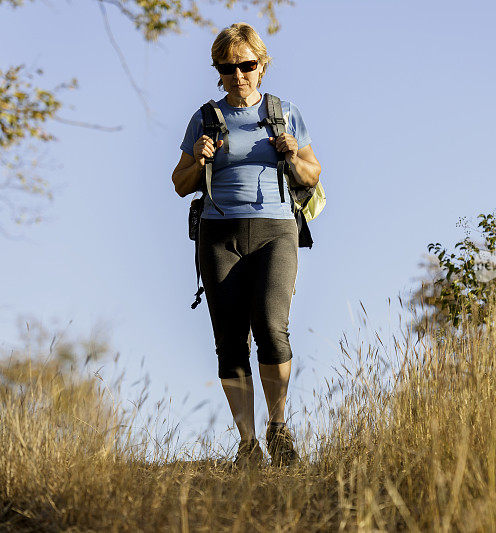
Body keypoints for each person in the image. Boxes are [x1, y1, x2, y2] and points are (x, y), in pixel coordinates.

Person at [171, 22, 321, 468]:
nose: (238, 75)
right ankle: (248, 443)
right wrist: (199, 158)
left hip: (276, 230)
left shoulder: (285, 112)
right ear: (217, 70)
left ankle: (278, 428)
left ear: (262, 65)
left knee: (273, 328)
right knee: (230, 341)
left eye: (246, 66)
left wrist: (293, 155)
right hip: (219, 234)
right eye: (227, 67)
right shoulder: (205, 119)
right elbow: (180, 184)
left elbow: (313, 175)